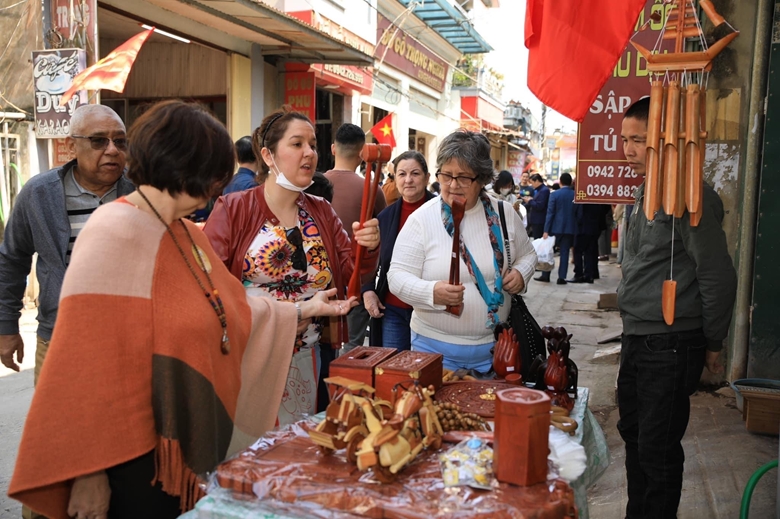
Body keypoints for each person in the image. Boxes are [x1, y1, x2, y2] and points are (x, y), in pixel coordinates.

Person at [8, 100, 356, 519]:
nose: (216, 189)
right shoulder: (112, 231)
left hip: (169, 443)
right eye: (212, 174)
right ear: (184, 167)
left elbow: (233, 308)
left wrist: (303, 310)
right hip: (123, 450)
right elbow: (82, 363)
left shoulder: (184, 230)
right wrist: (88, 472)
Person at [204, 108, 380, 425]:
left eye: (312, 144)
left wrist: (368, 246)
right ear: (268, 155)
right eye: (297, 144)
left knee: (304, 451)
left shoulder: (322, 210)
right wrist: (290, 311)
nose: (309, 153)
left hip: (311, 357)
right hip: (253, 355)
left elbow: (352, 272)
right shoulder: (233, 208)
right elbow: (210, 288)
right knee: (256, 452)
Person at [617, 97, 737, 519]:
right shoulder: (643, 191)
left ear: (665, 140)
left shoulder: (689, 193)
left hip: (668, 343)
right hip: (637, 337)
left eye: (639, 140)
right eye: (625, 140)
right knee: (632, 434)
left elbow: (717, 276)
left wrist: (713, 342)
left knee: (657, 447)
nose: (629, 150)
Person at [0, 105, 134, 385]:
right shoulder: (39, 195)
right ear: (72, 145)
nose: (112, 150)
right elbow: (12, 260)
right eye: (99, 140)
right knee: (57, 427)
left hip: (131, 341)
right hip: (59, 338)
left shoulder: (142, 192)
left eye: (120, 141)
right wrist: (6, 327)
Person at [387, 130, 536, 372]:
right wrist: (431, 292)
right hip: (432, 350)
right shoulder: (422, 219)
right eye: (446, 175)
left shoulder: (504, 215)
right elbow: (396, 277)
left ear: (482, 179)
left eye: (464, 177)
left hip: (498, 349)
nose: (453, 185)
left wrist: (521, 272)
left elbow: (528, 254)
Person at [324, 124, 387, 353]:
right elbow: (381, 235)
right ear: (363, 153)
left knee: (323, 346)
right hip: (356, 280)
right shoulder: (372, 189)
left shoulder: (313, 186)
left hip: (321, 281)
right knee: (352, 347)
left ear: (333, 149)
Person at [363, 151, 434, 351]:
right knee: (394, 372)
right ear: (395, 179)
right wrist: (367, 290)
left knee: (428, 373)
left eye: (415, 174)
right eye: (402, 174)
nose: (408, 180)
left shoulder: (443, 212)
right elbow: (368, 257)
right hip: (393, 310)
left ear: (427, 178)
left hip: (431, 311)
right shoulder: (385, 217)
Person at [538, 173, 576, 285]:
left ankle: (546, 275)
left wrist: (546, 230)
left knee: (549, 251)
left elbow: (550, 213)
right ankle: (562, 277)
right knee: (564, 252)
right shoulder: (575, 195)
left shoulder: (554, 195)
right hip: (569, 228)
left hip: (555, 228)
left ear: (560, 182)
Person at [569, 204, 610, 283]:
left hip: (583, 226)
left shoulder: (583, 195)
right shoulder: (598, 195)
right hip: (596, 225)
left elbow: (579, 211)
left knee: (578, 250)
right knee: (591, 251)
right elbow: (606, 207)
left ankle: (579, 274)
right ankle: (590, 274)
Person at [523, 173, 549, 239]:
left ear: (537, 181)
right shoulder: (539, 190)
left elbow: (540, 205)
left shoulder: (544, 190)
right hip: (536, 220)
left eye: (532, 183)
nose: (532, 185)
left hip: (539, 220)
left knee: (538, 239)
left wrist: (530, 201)